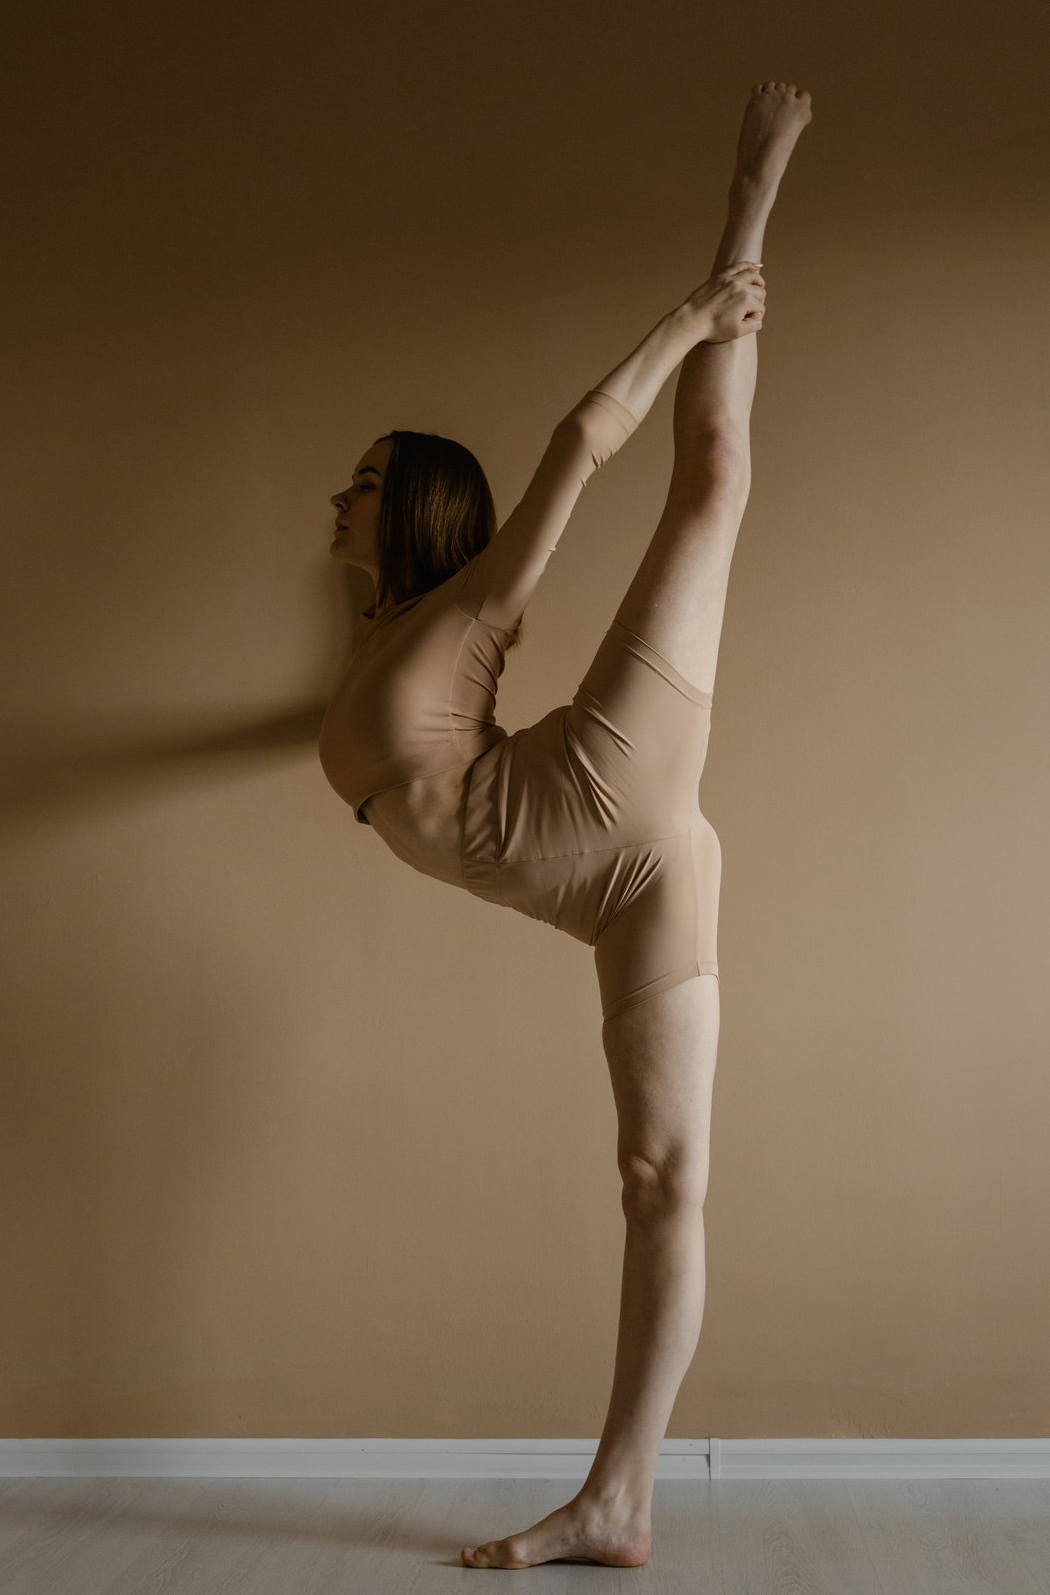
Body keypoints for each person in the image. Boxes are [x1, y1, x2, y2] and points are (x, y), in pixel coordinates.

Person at [321, 81, 813, 1571]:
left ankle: (754, 192)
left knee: (710, 483)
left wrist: (685, 316)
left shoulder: (469, 610)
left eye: (357, 486)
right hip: (619, 889)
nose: (334, 503)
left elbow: (582, 444)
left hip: (598, 779)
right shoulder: (373, 655)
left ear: (413, 512)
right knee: (658, 1181)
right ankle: (623, 1499)